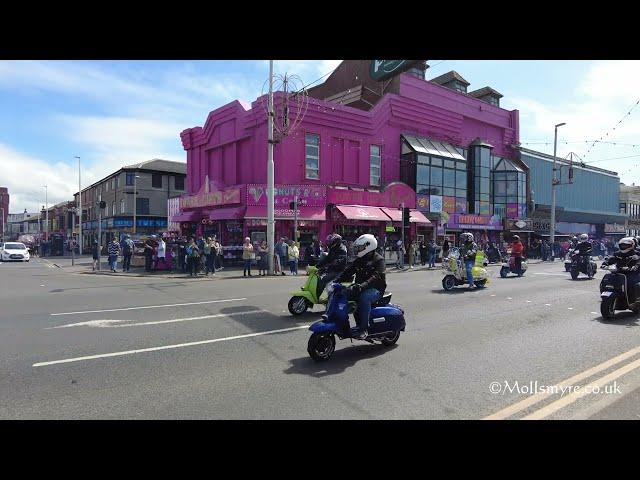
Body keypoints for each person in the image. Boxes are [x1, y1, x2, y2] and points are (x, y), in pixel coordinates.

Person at [335, 234, 386, 340]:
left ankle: (364, 329)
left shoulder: (379, 260)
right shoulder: (360, 259)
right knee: (342, 293)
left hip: (375, 289)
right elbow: (349, 271)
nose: (358, 249)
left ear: (368, 246)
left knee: (364, 298)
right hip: (360, 286)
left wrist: (363, 285)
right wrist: (336, 280)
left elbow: (375, 277)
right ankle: (343, 324)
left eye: (360, 247)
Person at [316, 233, 348, 298]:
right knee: (318, 277)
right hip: (332, 269)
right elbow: (327, 258)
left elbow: (338, 261)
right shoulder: (333, 248)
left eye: (331, 241)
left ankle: (317, 296)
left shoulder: (342, 250)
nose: (329, 243)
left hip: (338, 271)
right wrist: (317, 265)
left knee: (324, 280)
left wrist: (327, 265)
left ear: (336, 242)